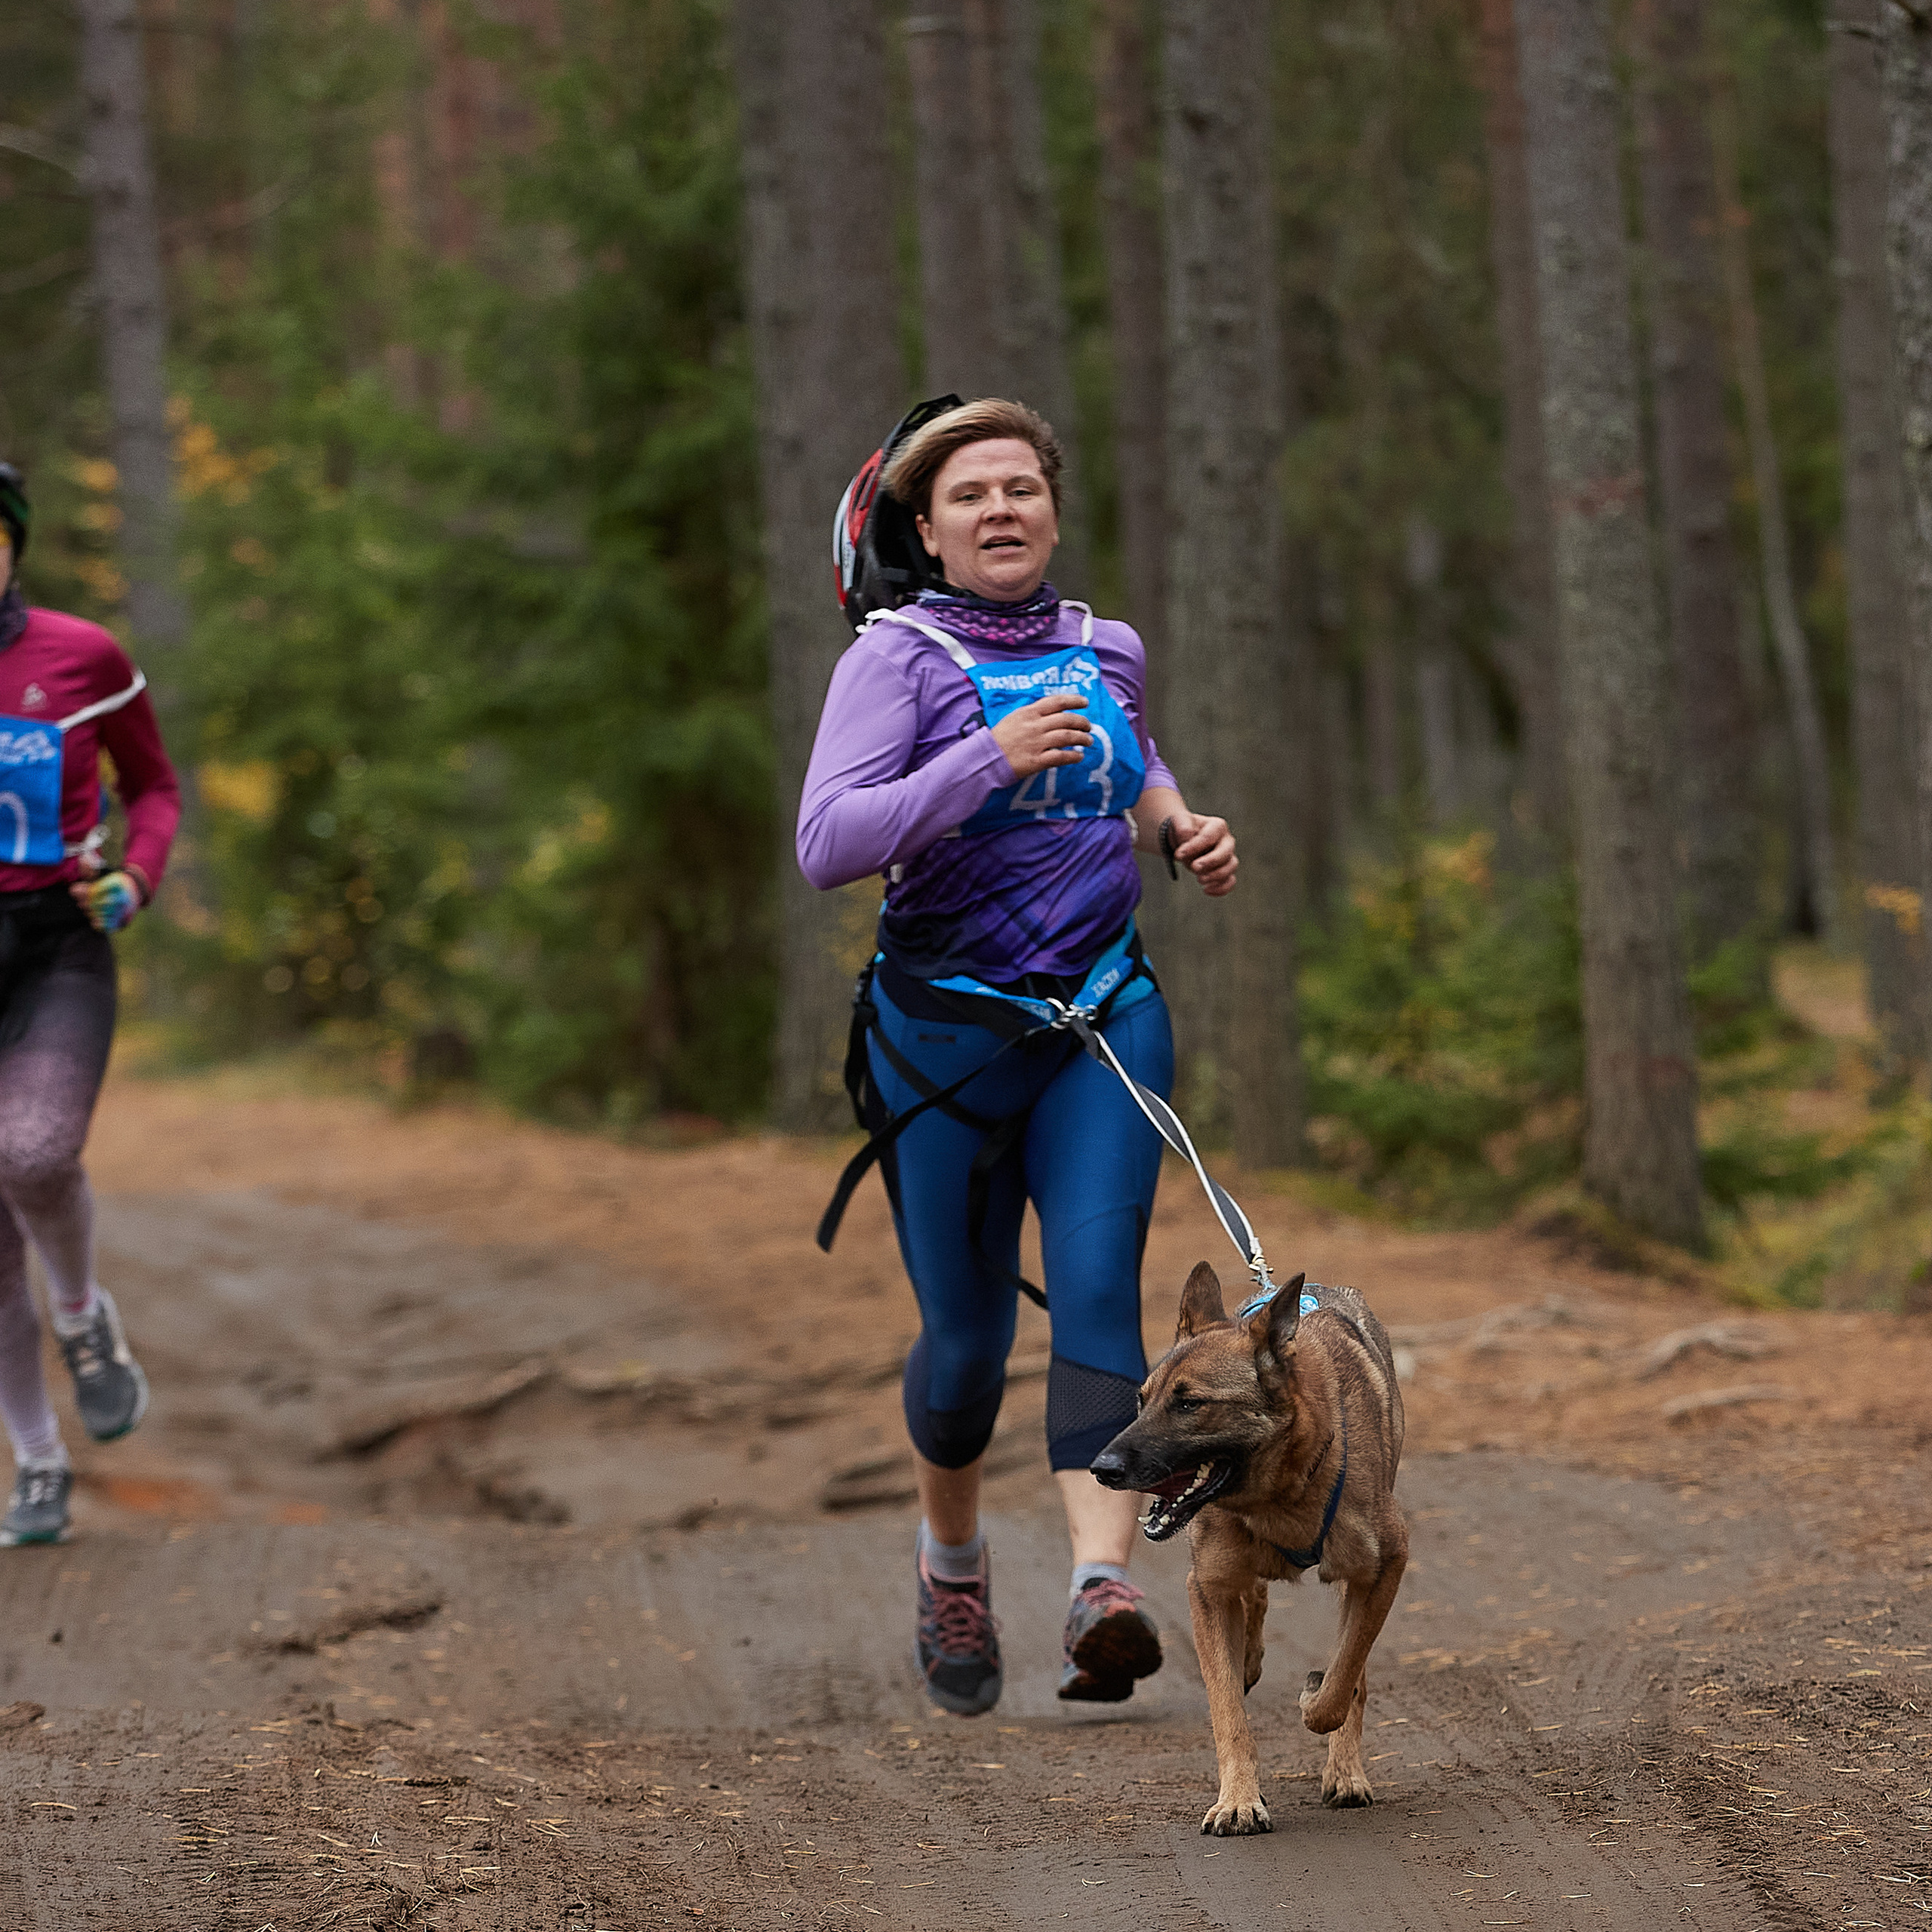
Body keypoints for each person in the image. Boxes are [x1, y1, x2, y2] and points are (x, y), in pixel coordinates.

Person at [798, 398, 1238, 1715]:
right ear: (925, 530)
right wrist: (979, 763)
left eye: (1021, 489)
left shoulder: (1109, 646)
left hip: (1101, 1020)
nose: (1001, 510)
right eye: (971, 495)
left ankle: (1102, 1589)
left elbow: (1135, 755)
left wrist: (1174, 825)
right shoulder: (896, 658)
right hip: (943, 1042)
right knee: (966, 1351)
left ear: (1052, 506)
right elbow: (829, 843)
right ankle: (951, 1562)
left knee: (1101, 1288)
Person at [0, 463, 179, 1546]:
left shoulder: (83, 657)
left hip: (60, 945)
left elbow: (152, 785)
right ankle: (35, 1460)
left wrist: (138, 879)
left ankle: (82, 1315)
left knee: (32, 1153)